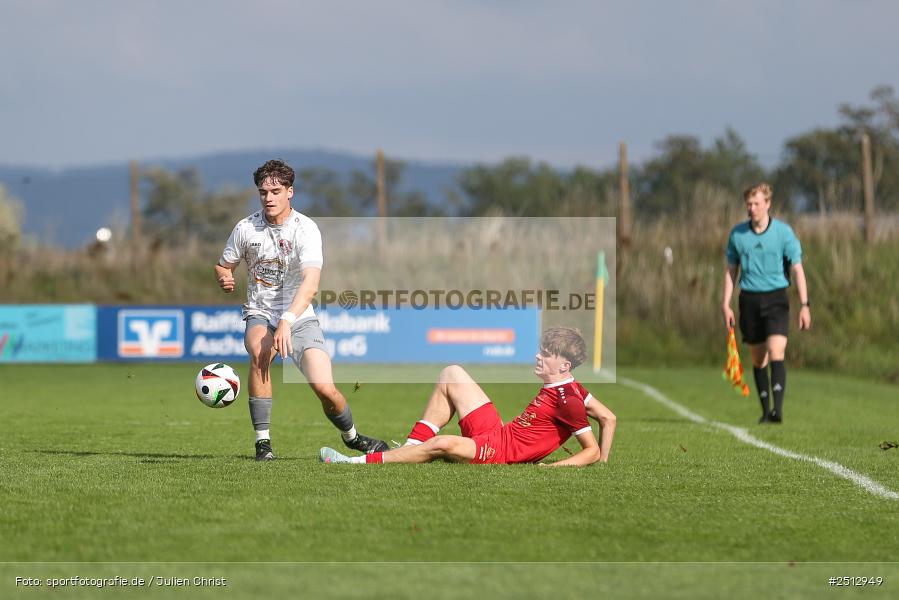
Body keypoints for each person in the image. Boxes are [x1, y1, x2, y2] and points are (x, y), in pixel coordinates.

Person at [215, 159, 388, 460]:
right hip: (261, 312)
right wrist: (225, 277)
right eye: (262, 192)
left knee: (324, 388)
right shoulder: (245, 228)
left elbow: (311, 282)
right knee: (260, 352)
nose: (268, 198)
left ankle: (352, 437)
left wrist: (287, 320)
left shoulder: (305, 229)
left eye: (275, 191)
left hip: (299, 316)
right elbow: (223, 264)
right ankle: (263, 444)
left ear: (290, 192)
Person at [319, 327, 617, 466]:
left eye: (546, 354)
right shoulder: (573, 388)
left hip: (498, 454)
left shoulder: (568, 399)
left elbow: (588, 450)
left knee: (444, 443)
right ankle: (411, 448)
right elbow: (609, 417)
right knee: (452, 372)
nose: (538, 356)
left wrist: (554, 469)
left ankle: (353, 463)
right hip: (497, 434)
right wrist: (605, 463)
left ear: (564, 365)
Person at [722, 183, 811, 424]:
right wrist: (725, 303)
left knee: (777, 352)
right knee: (758, 359)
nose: (752, 208)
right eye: (749, 204)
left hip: (776, 299)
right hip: (749, 300)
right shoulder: (738, 235)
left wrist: (805, 305)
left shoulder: (783, 233)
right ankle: (765, 411)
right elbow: (731, 270)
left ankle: (778, 412)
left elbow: (797, 269)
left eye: (757, 204)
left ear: (768, 204)